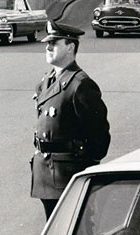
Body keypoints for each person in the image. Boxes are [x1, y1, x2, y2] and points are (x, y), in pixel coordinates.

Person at [30, 20, 110, 219]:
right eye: (48, 43)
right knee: (54, 231)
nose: (48, 47)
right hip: (46, 174)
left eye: (54, 43)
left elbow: (99, 136)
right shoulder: (46, 82)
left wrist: (85, 169)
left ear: (70, 47)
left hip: (68, 175)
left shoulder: (80, 84)